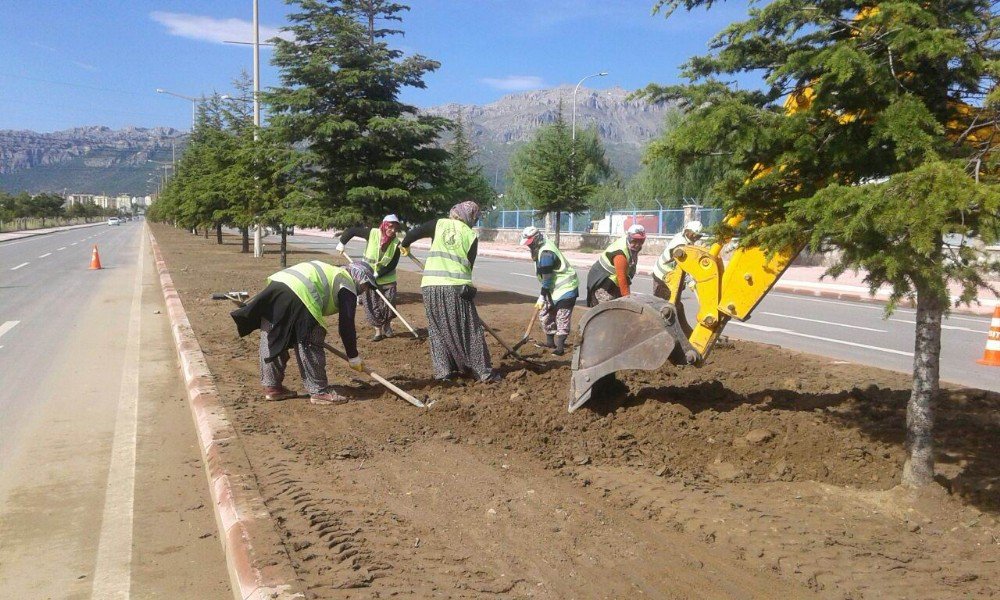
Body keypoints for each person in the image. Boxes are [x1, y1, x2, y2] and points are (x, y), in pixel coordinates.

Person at [231, 260, 376, 405]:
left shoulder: (331, 271)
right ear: (359, 277)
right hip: (303, 294)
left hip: (278, 285)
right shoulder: (346, 283)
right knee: (311, 340)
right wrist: (353, 356)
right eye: (366, 285)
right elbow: (346, 325)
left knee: (273, 336)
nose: (365, 290)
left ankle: (272, 388)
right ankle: (319, 391)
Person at [400, 200, 501, 383]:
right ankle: (483, 372)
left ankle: (443, 372)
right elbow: (469, 266)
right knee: (469, 329)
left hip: (430, 286)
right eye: (475, 218)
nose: (475, 222)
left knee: (437, 330)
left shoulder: (438, 224)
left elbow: (412, 234)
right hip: (457, 287)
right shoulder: (470, 235)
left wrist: (405, 245)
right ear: (469, 217)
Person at [337, 214, 402, 341]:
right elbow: (352, 231)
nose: (393, 231)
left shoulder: (396, 243)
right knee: (372, 304)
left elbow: (393, 264)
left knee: (389, 303)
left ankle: (387, 326)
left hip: (387, 278)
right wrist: (342, 242)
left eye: (395, 228)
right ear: (384, 225)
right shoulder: (372, 233)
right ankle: (378, 330)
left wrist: (378, 274)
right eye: (390, 227)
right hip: (368, 275)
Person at [519, 226, 579, 356]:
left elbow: (547, 279)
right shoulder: (541, 248)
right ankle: (550, 342)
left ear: (536, 239)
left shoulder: (546, 253)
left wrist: (542, 295)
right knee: (545, 314)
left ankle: (560, 348)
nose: (529, 247)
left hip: (566, 288)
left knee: (562, 317)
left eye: (530, 244)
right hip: (553, 289)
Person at [586, 224, 646, 307]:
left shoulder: (631, 249)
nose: (637, 244)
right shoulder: (620, 254)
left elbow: (626, 275)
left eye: (641, 241)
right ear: (629, 238)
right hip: (602, 281)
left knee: (619, 305)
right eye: (634, 241)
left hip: (613, 280)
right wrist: (628, 300)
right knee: (608, 309)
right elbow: (622, 278)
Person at [651, 220, 704, 301]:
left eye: (698, 236)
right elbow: (681, 265)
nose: (695, 238)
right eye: (694, 235)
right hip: (663, 275)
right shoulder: (680, 245)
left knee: (673, 302)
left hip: (669, 274)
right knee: (662, 304)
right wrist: (690, 281)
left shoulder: (684, 238)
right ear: (687, 231)